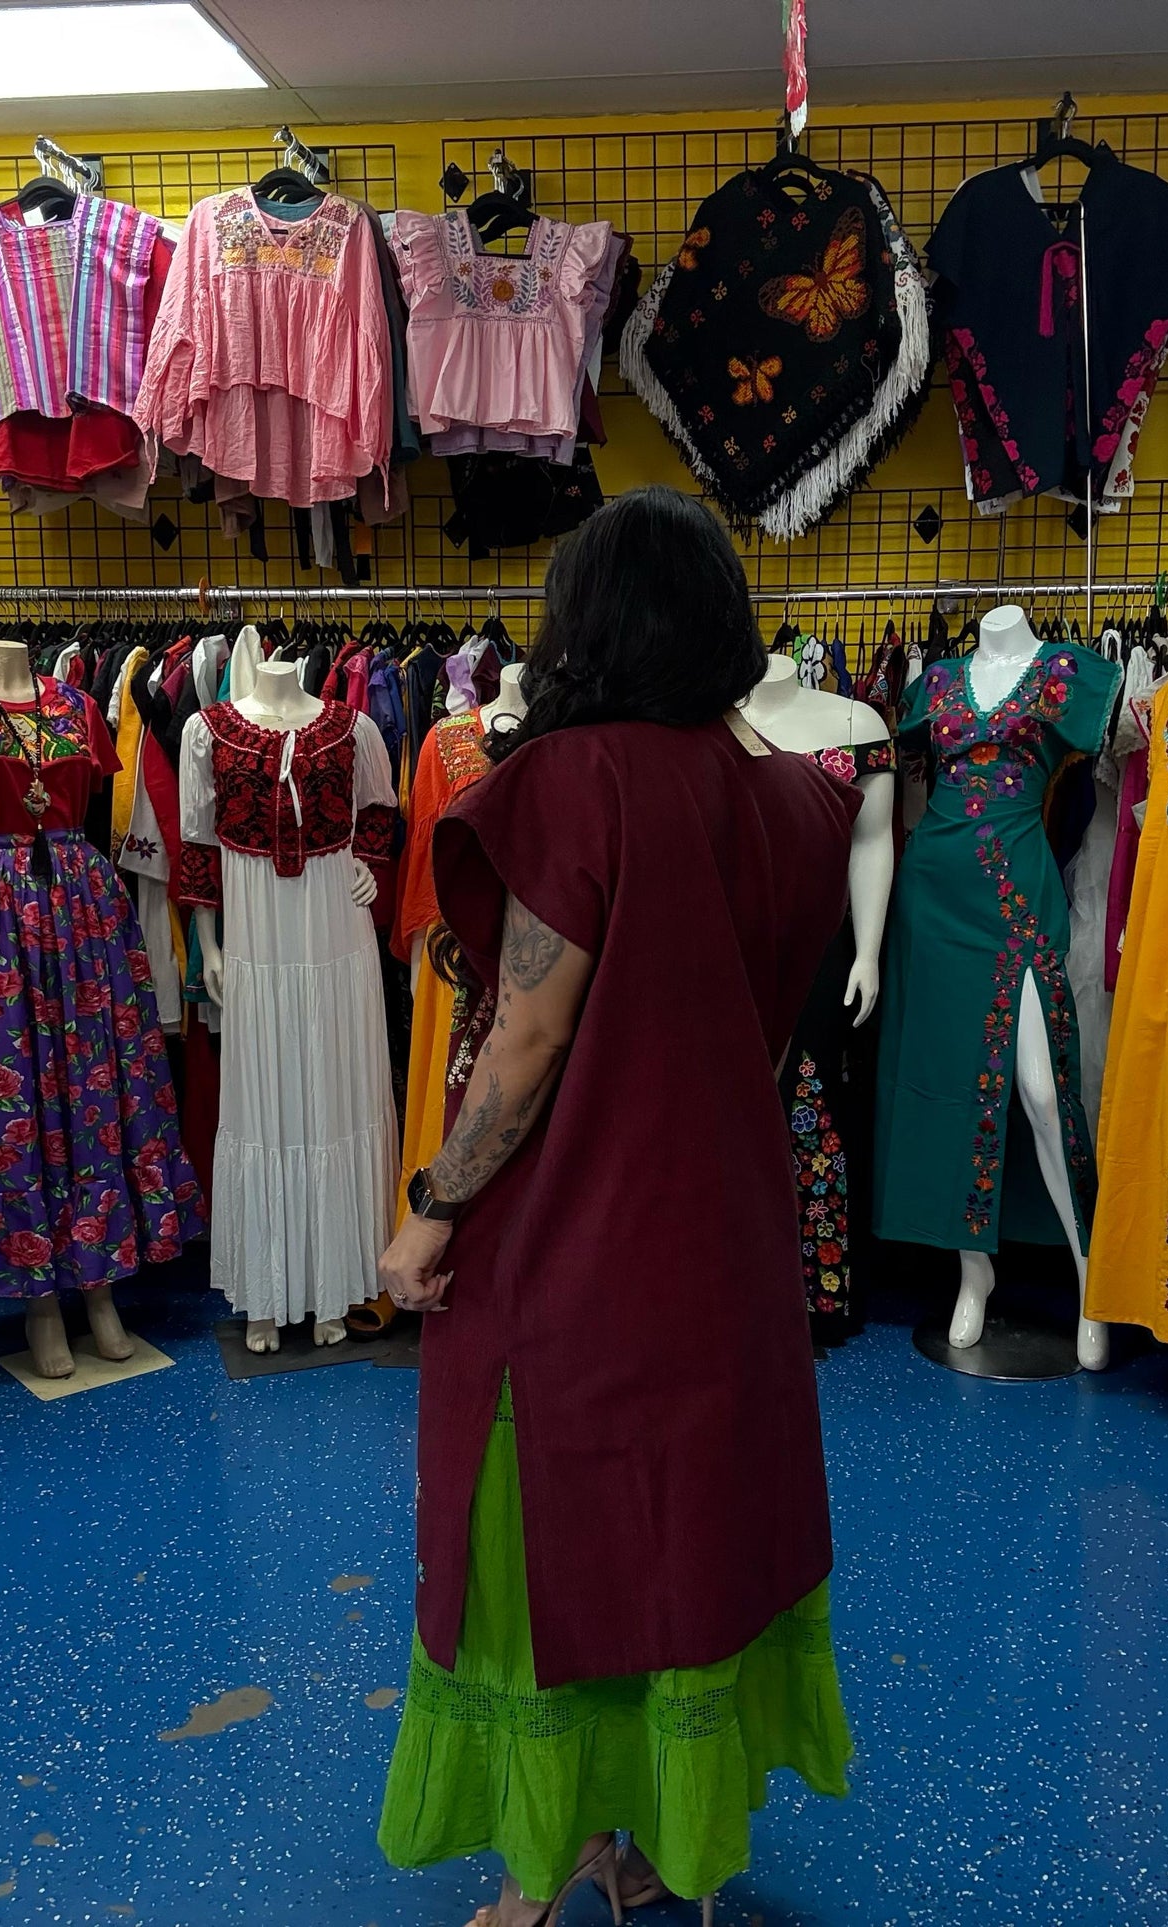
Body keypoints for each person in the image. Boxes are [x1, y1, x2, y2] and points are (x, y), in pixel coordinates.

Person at [375, 486, 860, 1927]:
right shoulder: (798, 799)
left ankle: (540, 1867)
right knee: (688, 1545)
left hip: (571, 1245)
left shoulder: (575, 782)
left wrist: (429, 1210)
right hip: (725, 1243)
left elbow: (523, 1042)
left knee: (541, 1550)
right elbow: (760, 1040)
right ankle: (651, 1847)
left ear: (582, 623)